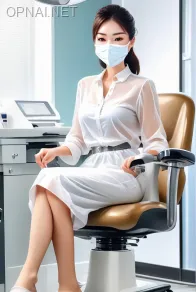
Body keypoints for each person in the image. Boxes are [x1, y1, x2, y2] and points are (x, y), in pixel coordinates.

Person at [11, 4, 169, 292]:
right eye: (102, 38)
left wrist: (139, 157)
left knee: (51, 181)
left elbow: (157, 142)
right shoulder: (85, 85)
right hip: (93, 169)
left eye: (118, 38)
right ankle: (66, 283)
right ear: (95, 42)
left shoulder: (141, 86)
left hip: (127, 174)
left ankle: (31, 278)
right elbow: (78, 140)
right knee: (50, 185)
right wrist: (57, 151)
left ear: (131, 41)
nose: (110, 45)